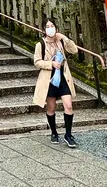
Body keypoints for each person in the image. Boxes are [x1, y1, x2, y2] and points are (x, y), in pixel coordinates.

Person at [34, 20, 79, 148]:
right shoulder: (40, 44)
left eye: (52, 26)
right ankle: (54, 132)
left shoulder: (60, 42)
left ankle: (68, 135)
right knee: (51, 108)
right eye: (47, 26)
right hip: (49, 79)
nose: (50, 28)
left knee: (68, 106)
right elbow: (37, 62)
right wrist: (50, 64)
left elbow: (74, 50)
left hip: (63, 77)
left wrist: (64, 37)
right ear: (43, 30)